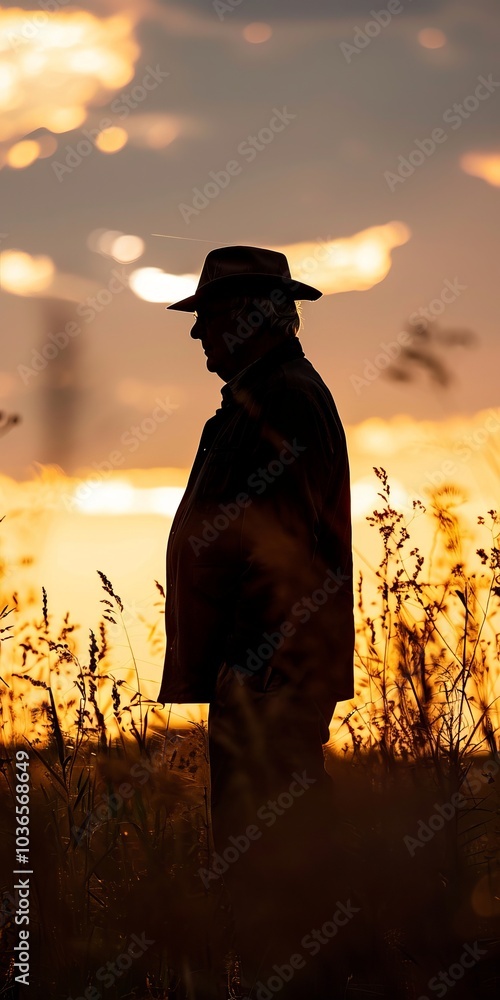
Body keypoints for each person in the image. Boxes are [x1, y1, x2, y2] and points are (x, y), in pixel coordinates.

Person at [158, 246, 355, 998]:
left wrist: (257, 661)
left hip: (269, 674)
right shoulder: (261, 395)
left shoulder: (284, 397)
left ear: (251, 317)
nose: (197, 334)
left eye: (207, 317)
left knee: (277, 860)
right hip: (259, 671)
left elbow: (284, 542)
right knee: (264, 856)